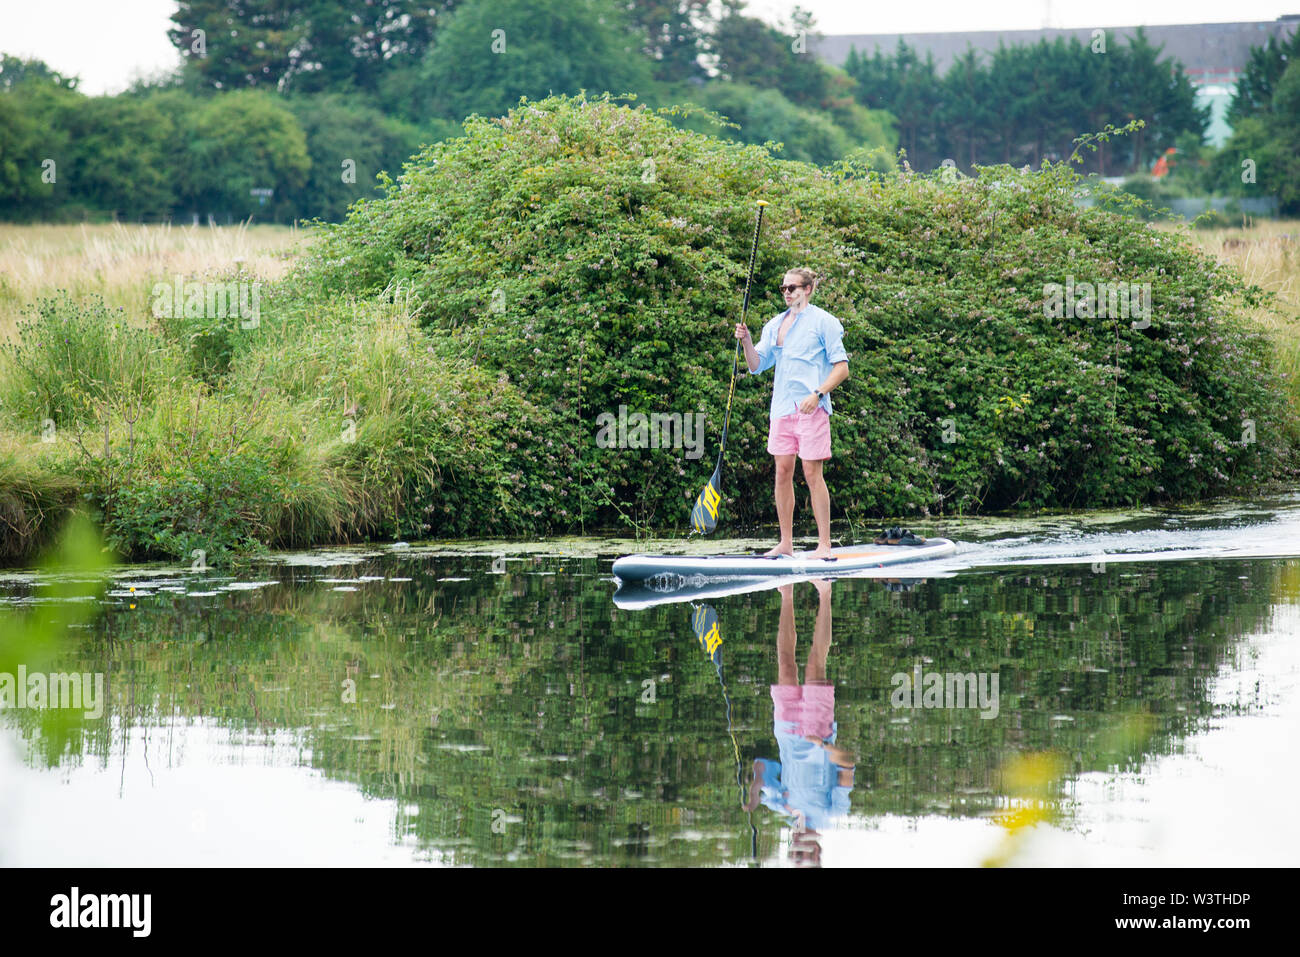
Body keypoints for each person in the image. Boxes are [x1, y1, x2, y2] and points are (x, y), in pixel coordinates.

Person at [735, 268, 849, 559]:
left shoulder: (825, 322)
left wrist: (819, 393)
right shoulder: (775, 325)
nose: (787, 292)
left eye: (793, 288)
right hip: (782, 409)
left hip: (812, 408)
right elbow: (756, 365)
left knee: (812, 473)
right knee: (782, 472)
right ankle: (786, 543)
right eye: (783, 287)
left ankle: (824, 545)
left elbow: (842, 368)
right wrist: (746, 341)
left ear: (808, 289)